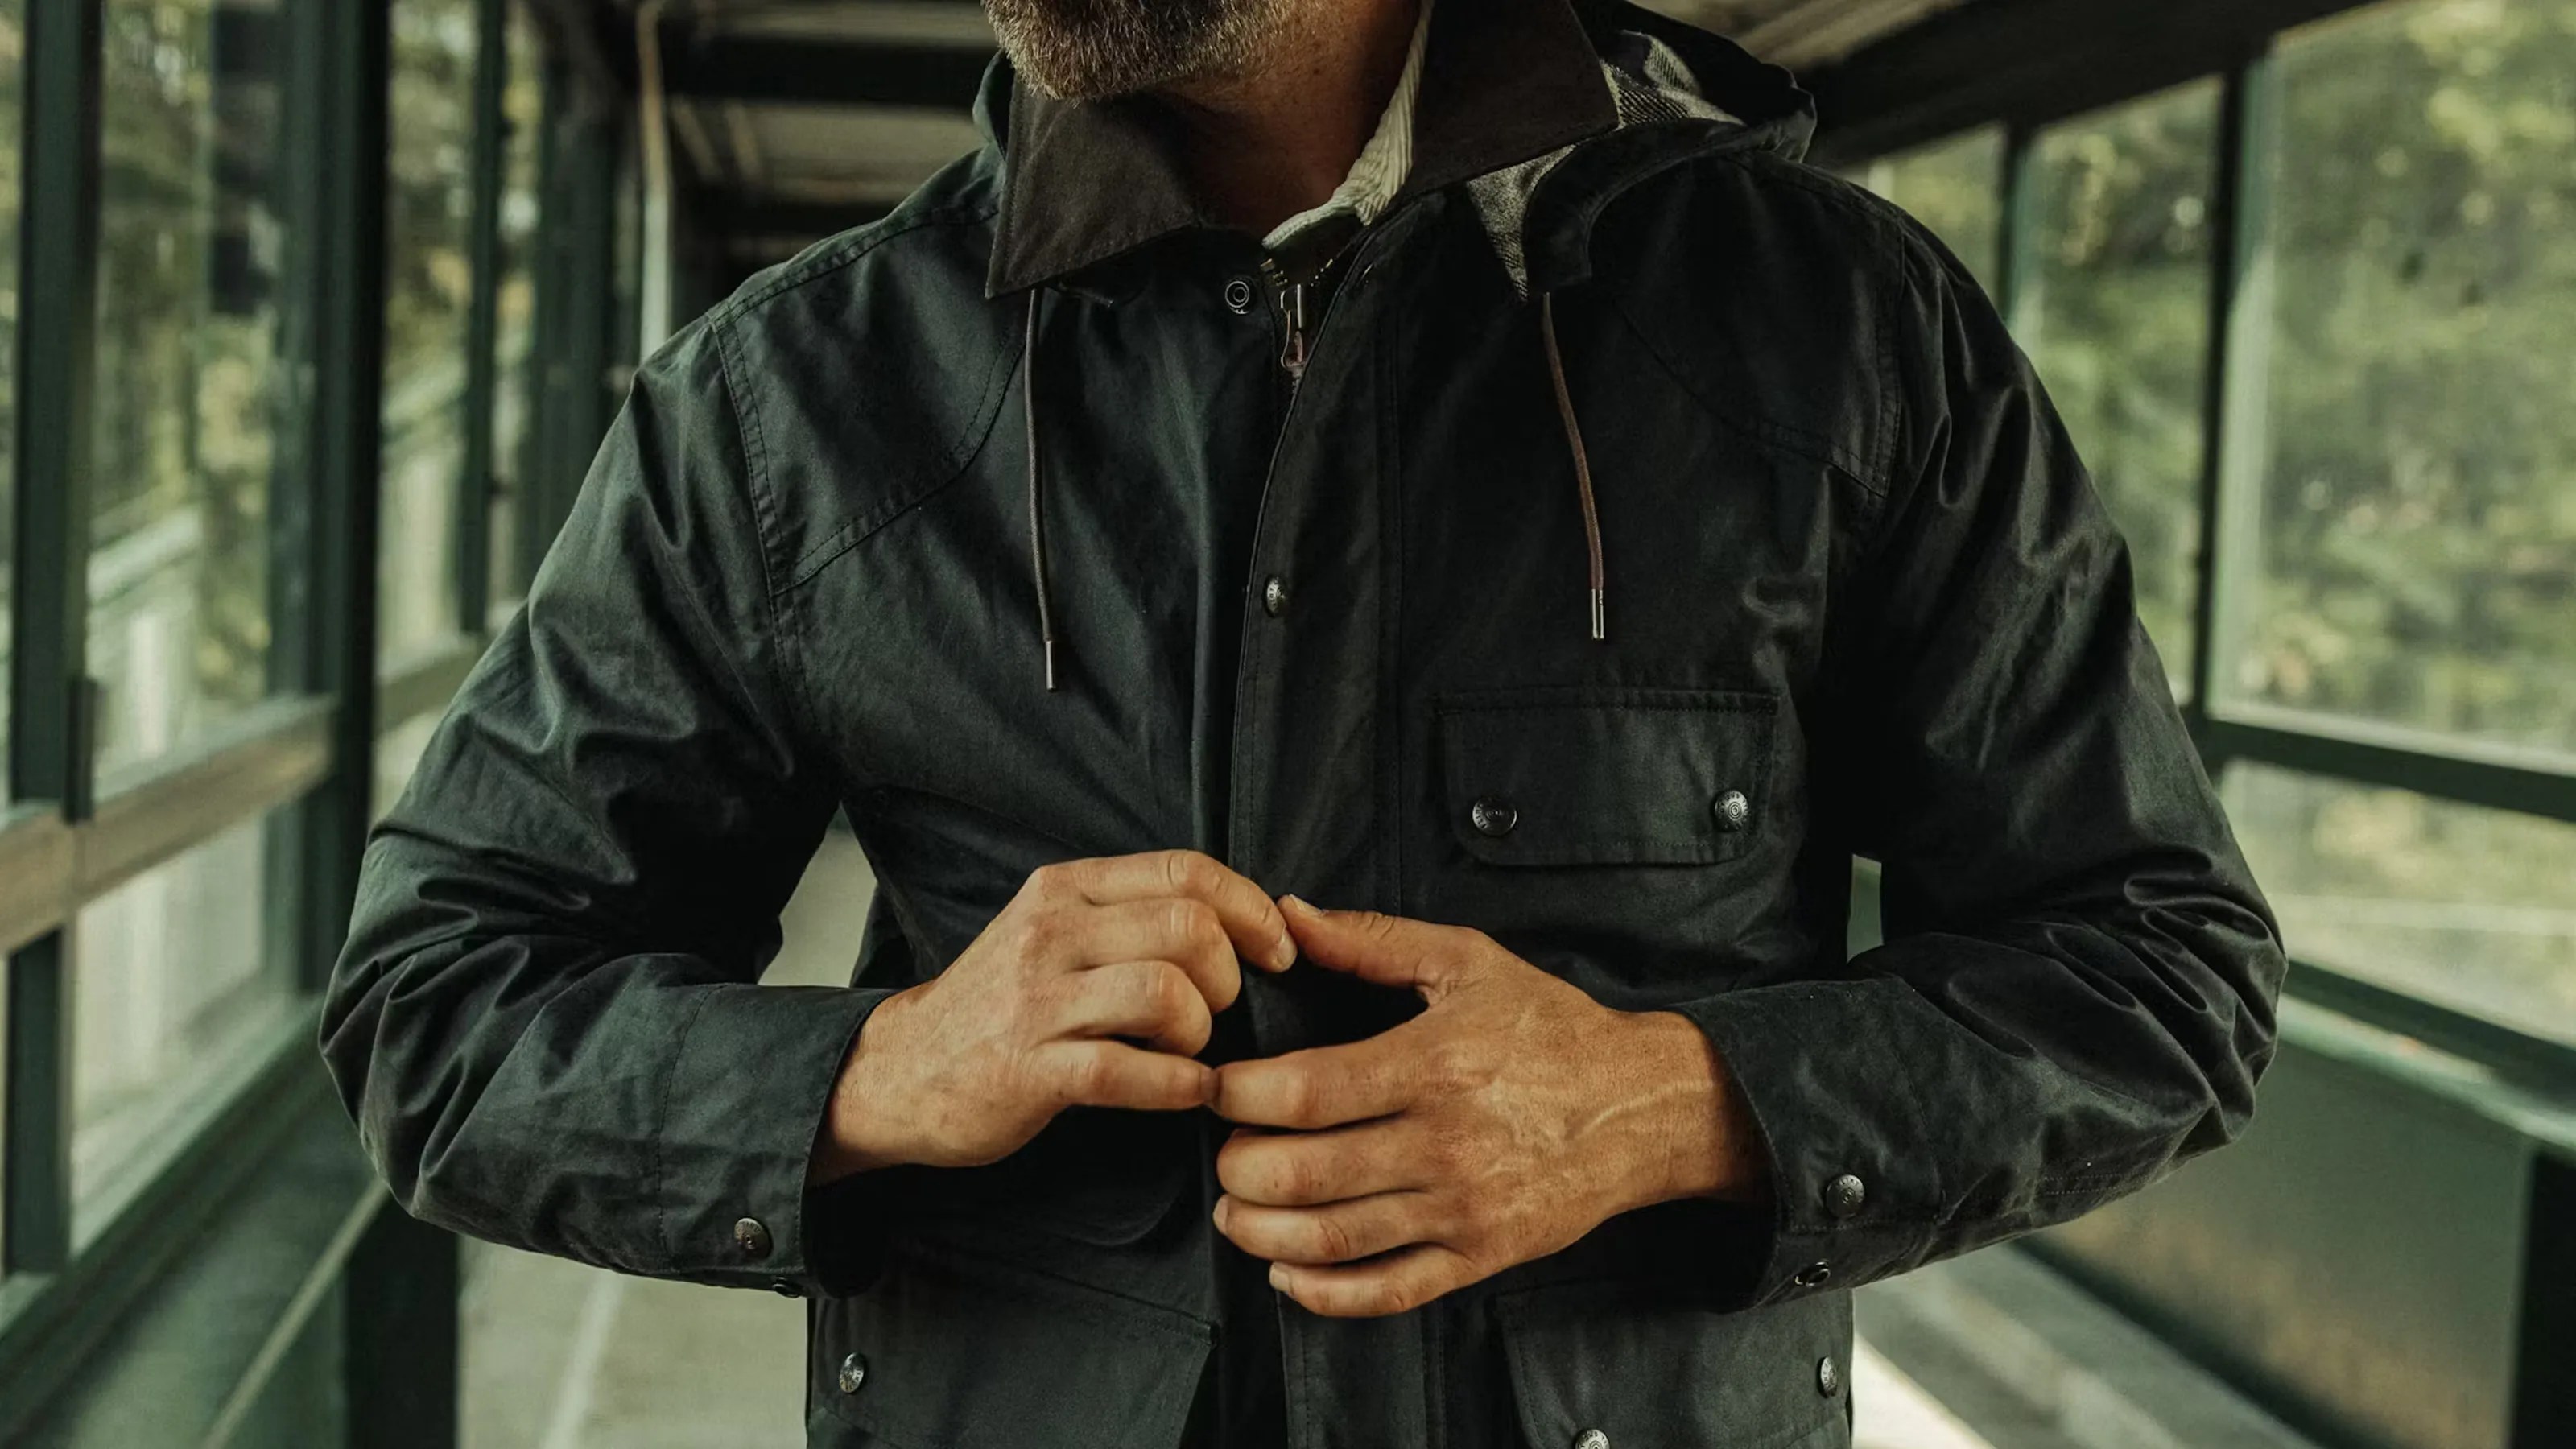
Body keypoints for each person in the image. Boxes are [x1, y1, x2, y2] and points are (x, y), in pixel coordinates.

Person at [321, 0, 2288, 1443]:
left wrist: (1665, 1107)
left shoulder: (1844, 333)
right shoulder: (786, 404)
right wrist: (878, 1068)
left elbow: (2157, 976)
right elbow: (437, 1008)